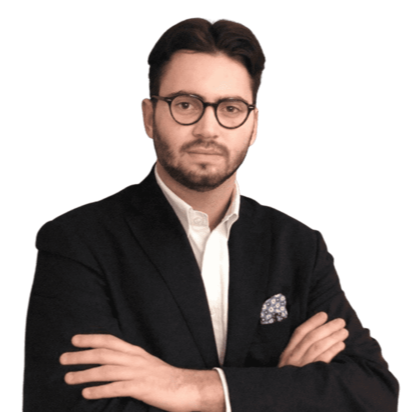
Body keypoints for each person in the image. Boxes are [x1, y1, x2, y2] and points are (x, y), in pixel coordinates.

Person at [23, 18, 398, 412]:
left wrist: (194, 389)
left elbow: (373, 394)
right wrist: (278, 388)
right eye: (186, 105)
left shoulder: (299, 248)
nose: (208, 129)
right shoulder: (78, 243)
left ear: (253, 125)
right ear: (150, 116)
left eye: (231, 108)